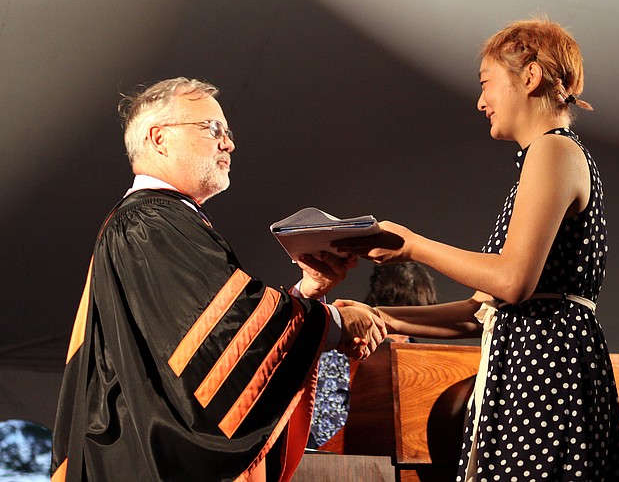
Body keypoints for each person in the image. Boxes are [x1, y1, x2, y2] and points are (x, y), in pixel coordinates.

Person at [334, 18, 619, 480]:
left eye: (486, 83)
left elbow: (512, 281)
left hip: (546, 382)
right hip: (526, 374)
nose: (480, 101)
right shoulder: (544, 159)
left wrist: (414, 246)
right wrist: (383, 318)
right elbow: (482, 312)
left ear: (529, 77)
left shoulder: (553, 152)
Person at [50, 78, 386, 482]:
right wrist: (331, 324)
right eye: (212, 129)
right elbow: (220, 338)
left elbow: (218, 326)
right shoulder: (151, 222)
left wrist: (305, 294)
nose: (228, 144)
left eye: (227, 133)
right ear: (159, 139)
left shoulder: (157, 220)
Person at [309, 262, 438, 447]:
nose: (404, 330)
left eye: (415, 312)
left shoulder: (420, 356)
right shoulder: (345, 347)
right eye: (400, 310)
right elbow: (325, 421)